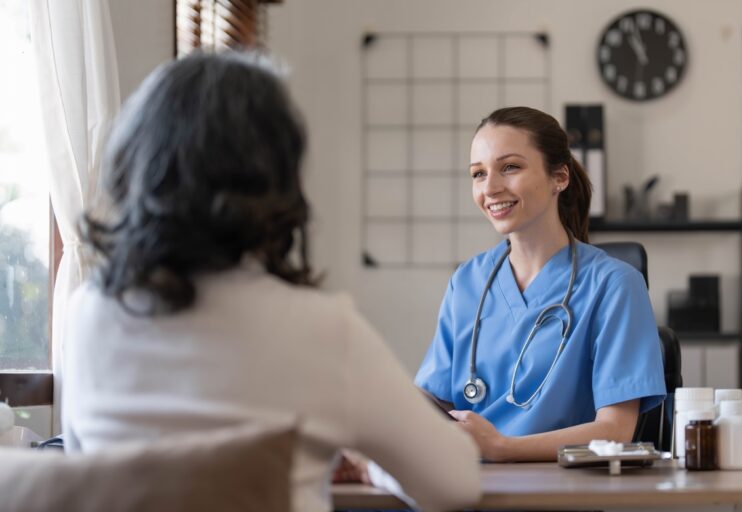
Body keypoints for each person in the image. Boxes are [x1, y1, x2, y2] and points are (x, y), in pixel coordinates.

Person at [61, 52, 480, 512]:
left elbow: (84, 470)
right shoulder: (321, 328)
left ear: (135, 163)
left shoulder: (88, 313)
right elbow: (453, 482)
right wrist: (366, 460)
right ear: (276, 177)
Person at [415, 106, 666, 462]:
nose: (490, 188)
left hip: (558, 488)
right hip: (466, 482)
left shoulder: (615, 285)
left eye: (510, 167)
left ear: (559, 177)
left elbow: (615, 430)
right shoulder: (467, 281)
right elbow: (434, 400)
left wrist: (503, 448)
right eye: (478, 174)